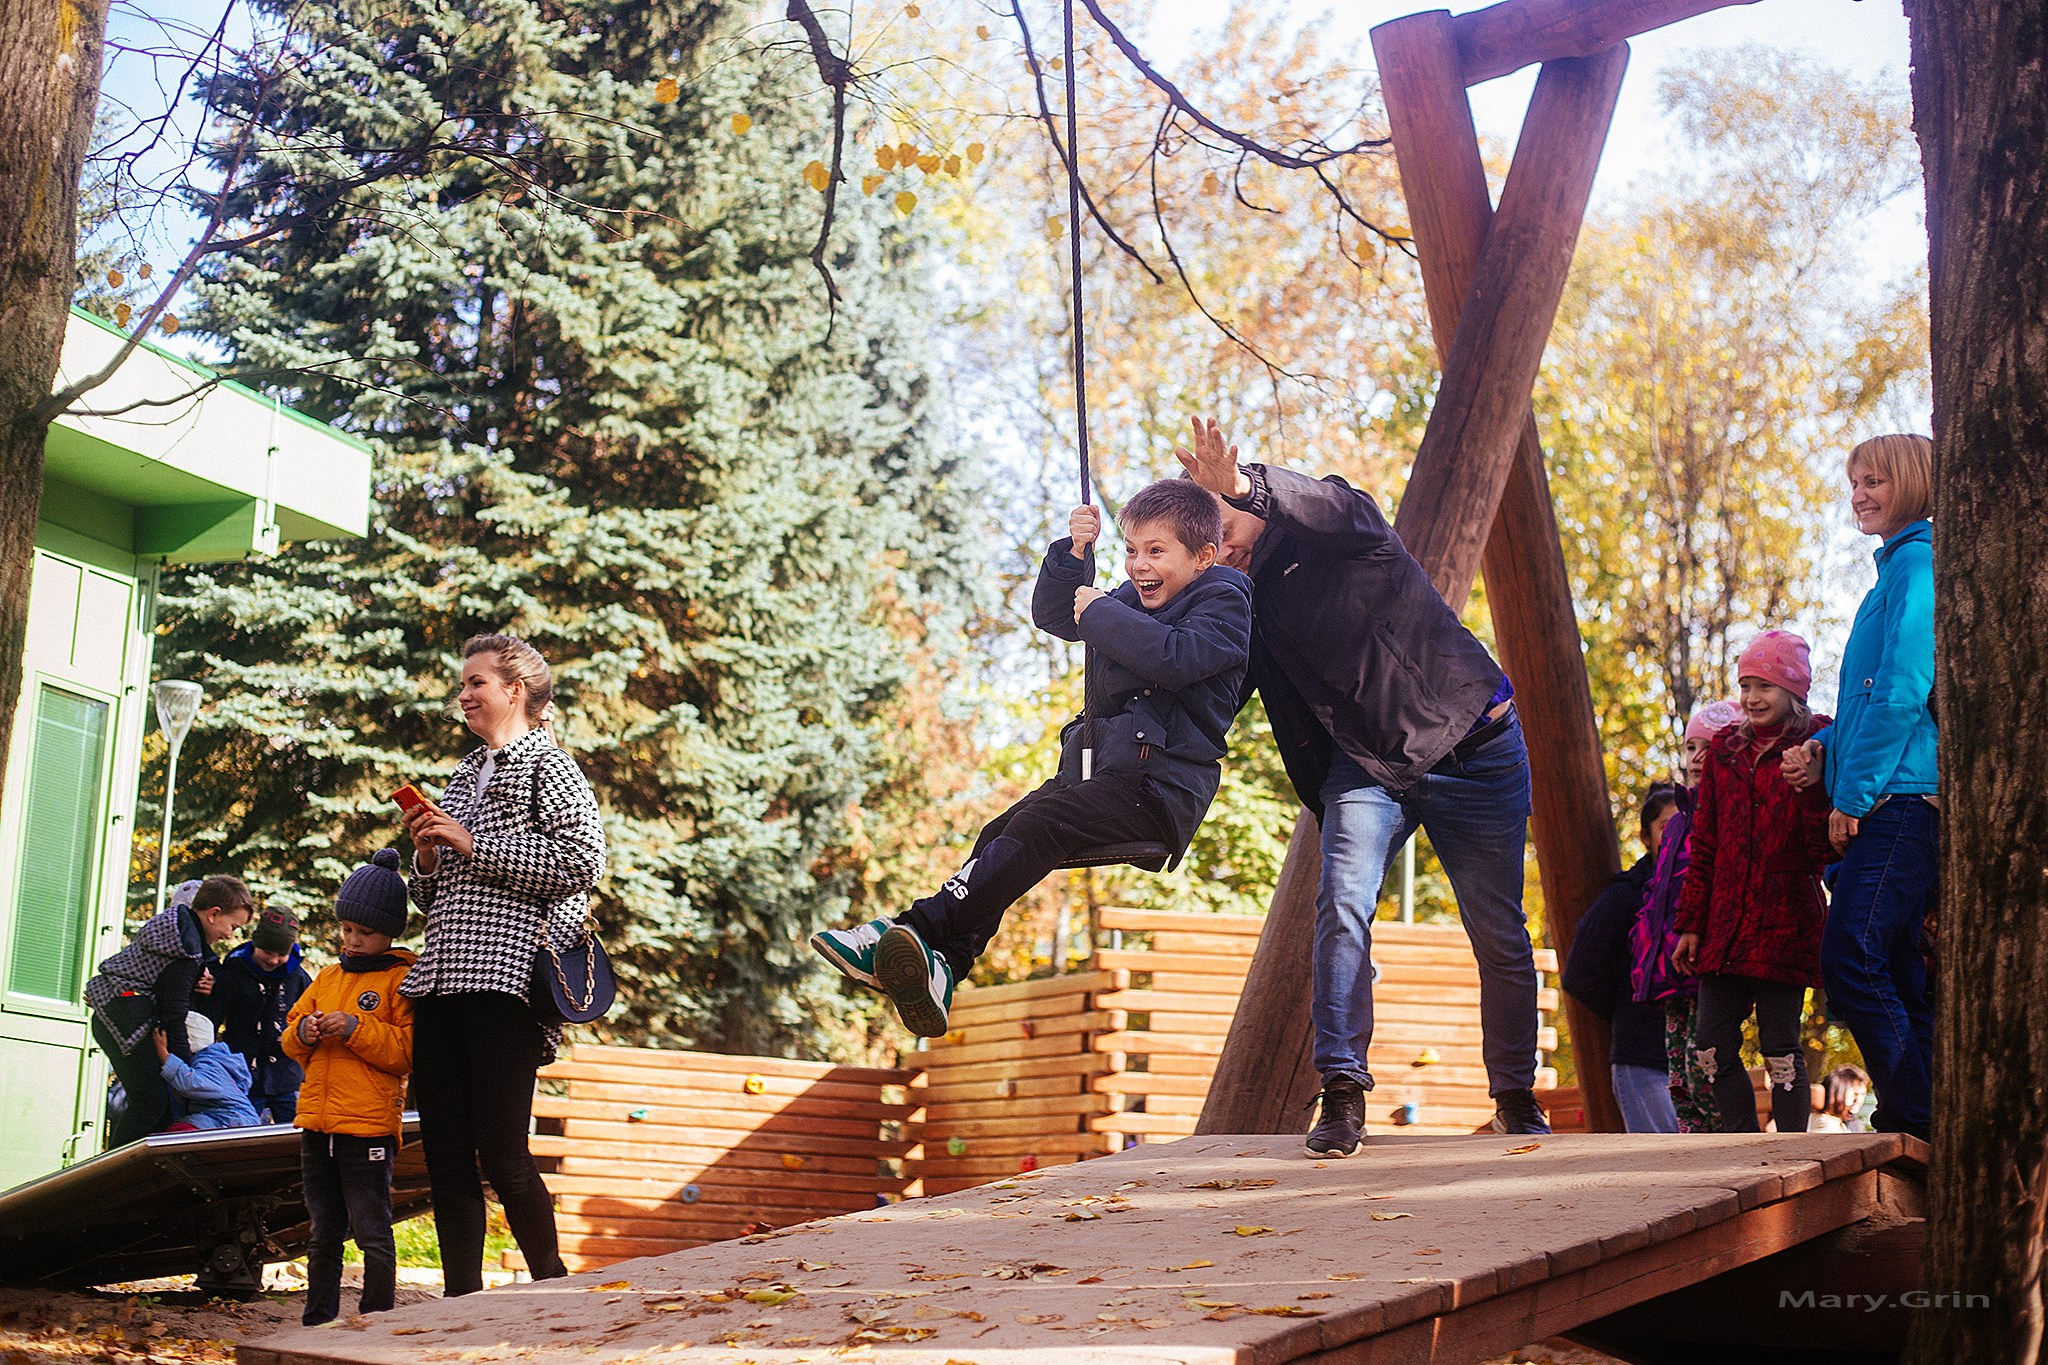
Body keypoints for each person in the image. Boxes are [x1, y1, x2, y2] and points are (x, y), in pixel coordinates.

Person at [1175, 417, 1548, 1154]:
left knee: (1500, 932)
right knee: (1341, 904)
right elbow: (1204, 688)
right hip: (1372, 767)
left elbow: (1331, 503)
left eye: (1224, 517)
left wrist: (1241, 480)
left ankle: (1515, 1094)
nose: (1223, 543)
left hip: (1476, 745)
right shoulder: (1241, 602)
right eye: (1207, 538)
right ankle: (1341, 1091)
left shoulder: (1336, 526)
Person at [811, 480, 1253, 1036]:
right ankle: (946, 965)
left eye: (1156, 551)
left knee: (1042, 823)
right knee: (1004, 830)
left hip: (1156, 786)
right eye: (1131, 550)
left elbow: (1177, 657)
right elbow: (1055, 614)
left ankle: (911, 928)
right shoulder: (1120, 600)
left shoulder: (1225, 599)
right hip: (1101, 776)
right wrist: (1073, 557)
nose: (1139, 565)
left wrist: (1099, 613)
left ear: (1204, 556)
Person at [398, 633, 606, 1294]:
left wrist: (472, 841)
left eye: (476, 683)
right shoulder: (465, 772)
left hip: (506, 982)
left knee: (503, 1152)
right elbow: (432, 897)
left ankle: (551, 1285)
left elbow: (582, 862)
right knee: (446, 1154)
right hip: (440, 982)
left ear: (514, 690)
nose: (463, 694)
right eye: (463, 684)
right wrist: (428, 857)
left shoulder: (551, 765)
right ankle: (458, 1301)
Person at [1784, 434, 1936, 1142]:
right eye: (1855, 483)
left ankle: (1914, 1115)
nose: (1860, 494)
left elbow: (1904, 689)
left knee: (1849, 953)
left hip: (1902, 799)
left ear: (1912, 482)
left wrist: (1853, 793)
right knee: (1899, 969)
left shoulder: (1919, 566)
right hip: (1885, 790)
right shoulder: (1891, 574)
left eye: (1875, 480)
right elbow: (1869, 698)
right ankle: (1927, 1120)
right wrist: (1823, 747)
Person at [1674, 632, 1833, 1133]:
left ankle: (1790, 1148)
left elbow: (1823, 851)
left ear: (1793, 690)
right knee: (1709, 1046)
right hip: (1726, 921)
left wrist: (1808, 790)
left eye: (1764, 685)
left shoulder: (1818, 744)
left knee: (1780, 1044)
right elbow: (1705, 844)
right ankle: (1742, 1142)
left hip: (1785, 919)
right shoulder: (1725, 750)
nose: (1751, 698)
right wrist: (1691, 923)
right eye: (1745, 685)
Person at [284, 850, 418, 1326]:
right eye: (347, 931)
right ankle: (318, 1318)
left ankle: (376, 1316)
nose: (354, 941)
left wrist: (355, 1028)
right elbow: (291, 1034)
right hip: (317, 1126)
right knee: (323, 1231)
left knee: (372, 1230)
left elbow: (405, 1053)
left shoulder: (402, 979)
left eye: (365, 933)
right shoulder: (327, 976)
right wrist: (305, 1034)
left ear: (389, 934)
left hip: (367, 1130)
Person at [1630, 700, 1743, 1134]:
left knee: (1707, 1066)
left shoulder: (1728, 816)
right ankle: (1693, 1146)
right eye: (1690, 747)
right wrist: (1645, 950)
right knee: (1677, 1076)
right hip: (1668, 969)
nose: (1697, 758)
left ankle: (1732, 1142)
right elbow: (1660, 893)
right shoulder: (1679, 820)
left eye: (1709, 747)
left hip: (1709, 963)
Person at [85, 876, 255, 1145]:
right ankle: (115, 1171)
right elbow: (173, 1012)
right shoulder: (185, 949)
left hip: (117, 1016)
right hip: (127, 1022)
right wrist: (183, 1064)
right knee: (151, 1101)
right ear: (213, 914)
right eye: (232, 926)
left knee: (160, 1105)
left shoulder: (177, 926)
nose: (230, 935)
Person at [1563, 785, 1683, 1133]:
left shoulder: (1703, 891)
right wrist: (1628, 1009)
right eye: (1666, 826)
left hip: (1694, 1059)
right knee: (1666, 1168)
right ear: (1646, 837)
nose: (1677, 833)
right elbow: (1580, 974)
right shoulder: (1624, 895)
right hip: (1643, 1060)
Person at [205, 906, 312, 1123]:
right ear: (255, 944)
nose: (273, 960)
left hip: (287, 1075)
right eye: (267, 952)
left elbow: (311, 1015)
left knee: (294, 1131)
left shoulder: (299, 979)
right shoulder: (233, 974)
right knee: (246, 1131)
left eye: (281, 954)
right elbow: (212, 1020)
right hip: (243, 1075)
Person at [153, 1012, 261, 1131]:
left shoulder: (209, 1063)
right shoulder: (218, 1060)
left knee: (179, 1132)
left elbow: (192, 1084)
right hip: (227, 1118)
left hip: (230, 1120)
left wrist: (164, 1054)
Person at [1810, 1063, 1873, 1133]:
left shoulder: (1851, 1123)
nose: (1858, 1100)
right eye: (1855, 1094)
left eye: (1862, 1094)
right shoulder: (1823, 1124)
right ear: (1836, 1092)